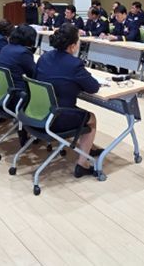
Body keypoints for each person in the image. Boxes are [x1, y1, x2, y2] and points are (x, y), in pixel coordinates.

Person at [35, 24, 101, 178]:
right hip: (58, 117)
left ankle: (87, 147)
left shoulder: (44, 57)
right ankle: (82, 163)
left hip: (38, 111)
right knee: (91, 118)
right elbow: (93, 87)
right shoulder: (74, 64)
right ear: (72, 46)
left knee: (77, 111)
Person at [0, 25, 37, 91]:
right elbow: (34, 74)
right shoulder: (23, 53)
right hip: (19, 92)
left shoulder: (5, 48)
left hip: (3, 89)